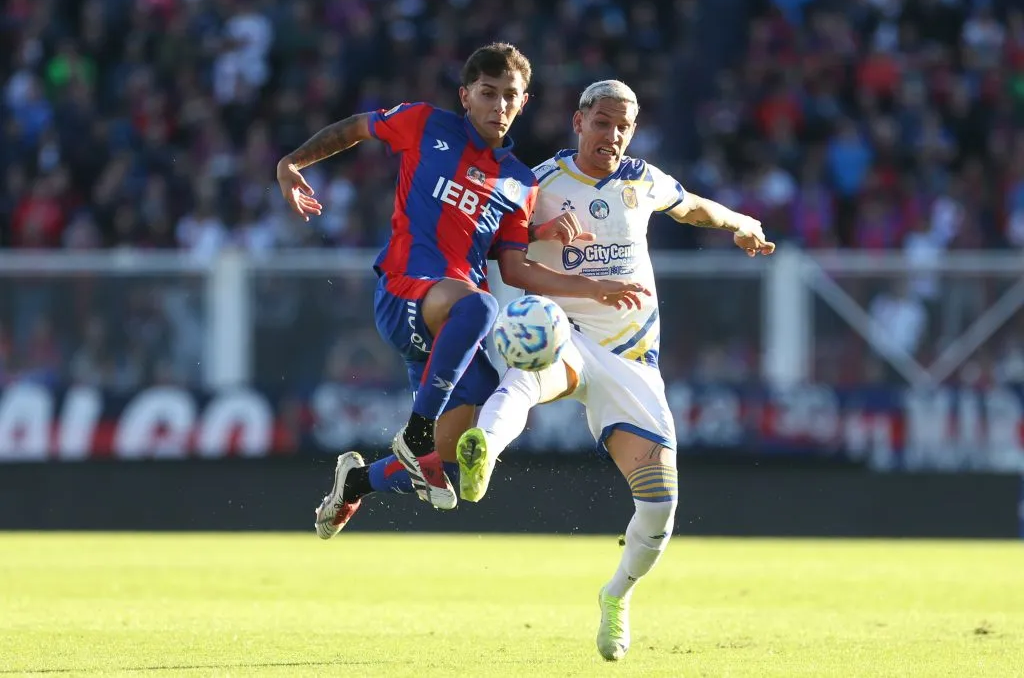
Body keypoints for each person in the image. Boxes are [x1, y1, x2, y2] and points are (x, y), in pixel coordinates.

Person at [453, 80, 775, 661]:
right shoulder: (538, 182)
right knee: (528, 377)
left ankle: (616, 593)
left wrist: (738, 221)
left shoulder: (641, 180)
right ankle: (485, 452)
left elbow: (691, 205)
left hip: (631, 360)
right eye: (603, 123)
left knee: (660, 506)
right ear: (579, 123)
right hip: (566, 336)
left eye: (624, 126)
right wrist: (541, 235)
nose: (614, 135)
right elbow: (498, 247)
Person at [275, 44, 647, 537]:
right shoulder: (425, 124)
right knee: (483, 306)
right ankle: (415, 433)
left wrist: (590, 286)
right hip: (408, 292)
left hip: (452, 323)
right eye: (487, 93)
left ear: (523, 102)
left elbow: (514, 266)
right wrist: (292, 163)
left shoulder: (519, 182)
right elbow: (355, 128)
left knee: (466, 439)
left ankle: (358, 481)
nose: (498, 106)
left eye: (509, 96)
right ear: (465, 96)